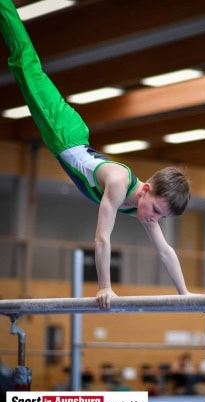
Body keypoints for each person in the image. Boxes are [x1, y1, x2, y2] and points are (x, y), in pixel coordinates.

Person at [0, 0, 192, 309]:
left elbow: (165, 251)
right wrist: (105, 287)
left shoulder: (143, 207)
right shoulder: (118, 183)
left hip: (67, 137)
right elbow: (102, 238)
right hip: (64, 132)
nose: (155, 219)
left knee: (21, 68)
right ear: (145, 189)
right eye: (156, 210)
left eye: (161, 216)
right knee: (25, 63)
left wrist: (186, 296)